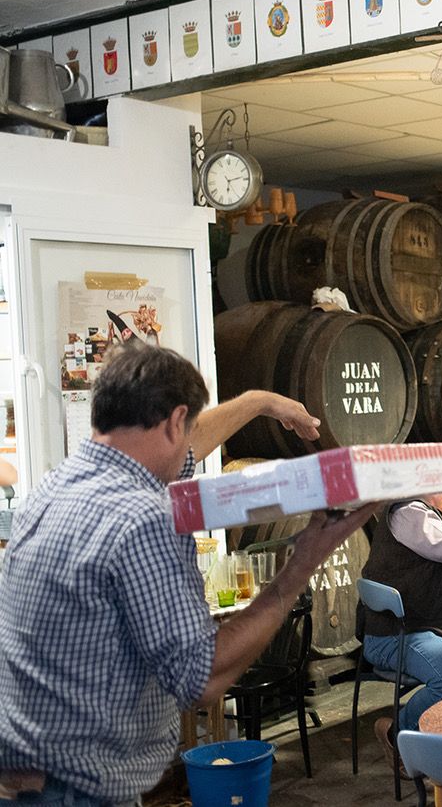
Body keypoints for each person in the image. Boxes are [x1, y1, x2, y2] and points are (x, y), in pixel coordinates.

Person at [0, 344, 375, 806]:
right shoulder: (144, 516)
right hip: (78, 791)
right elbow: (201, 680)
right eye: (187, 425)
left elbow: (187, 449)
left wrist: (261, 402)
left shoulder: (55, 486)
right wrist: (300, 564)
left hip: (25, 776)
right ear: (176, 420)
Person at [362, 490, 442, 778]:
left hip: (425, 628)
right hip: (393, 634)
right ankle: (397, 733)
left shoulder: (428, 516)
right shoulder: (409, 514)